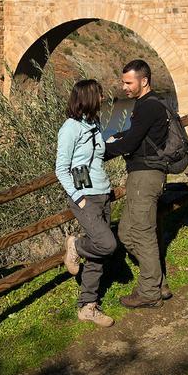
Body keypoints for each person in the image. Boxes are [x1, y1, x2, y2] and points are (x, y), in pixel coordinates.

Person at [104, 59, 175, 309]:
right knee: (126, 232)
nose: (124, 87)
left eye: (128, 82)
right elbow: (136, 136)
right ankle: (158, 283)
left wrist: (99, 150)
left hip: (145, 177)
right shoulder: (149, 104)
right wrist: (117, 138)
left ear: (143, 81)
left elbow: (129, 144)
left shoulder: (147, 107)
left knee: (142, 235)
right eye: (123, 82)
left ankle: (149, 293)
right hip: (145, 175)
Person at [56, 79, 117, 327]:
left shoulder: (93, 123)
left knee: (99, 254)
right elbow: (61, 169)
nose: (103, 99)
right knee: (108, 244)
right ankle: (75, 245)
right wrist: (78, 198)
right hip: (85, 197)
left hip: (103, 194)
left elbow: (98, 154)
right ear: (89, 97)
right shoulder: (70, 128)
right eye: (100, 95)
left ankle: (87, 306)